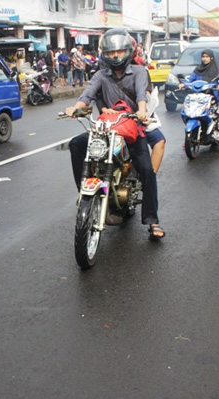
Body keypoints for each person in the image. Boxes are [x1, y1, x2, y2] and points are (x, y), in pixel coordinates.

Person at [65, 28, 165, 240]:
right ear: (105, 54)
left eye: (119, 52)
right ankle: (85, 193)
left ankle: (152, 219)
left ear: (128, 52)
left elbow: (141, 95)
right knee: (76, 144)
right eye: (111, 53)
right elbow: (88, 94)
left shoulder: (138, 72)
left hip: (132, 128)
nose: (116, 56)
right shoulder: (101, 75)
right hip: (108, 130)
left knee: (147, 170)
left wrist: (141, 111)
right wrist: (76, 107)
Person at [180, 49, 219, 156]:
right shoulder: (197, 69)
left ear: (211, 58)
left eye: (207, 57)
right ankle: (190, 136)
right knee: (188, 113)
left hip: (212, 97)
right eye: (203, 57)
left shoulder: (216, 70)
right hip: (198, 98)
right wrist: (183, 84)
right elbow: (190, 79)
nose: (205, 59)